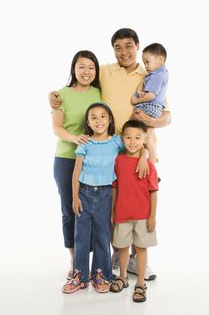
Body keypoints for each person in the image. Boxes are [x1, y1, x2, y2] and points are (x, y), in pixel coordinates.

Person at [49, 28, 171, 281]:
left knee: (137, 204)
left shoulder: (149, 75)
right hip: (109, 151)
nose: (124, 52)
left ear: (138, 46)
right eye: (118, 47)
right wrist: (54, 97)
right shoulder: (104, 71)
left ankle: (137, 259)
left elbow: (168, 116)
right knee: (113, 205)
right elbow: (82, 78)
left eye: (129, 46)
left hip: (140, 151)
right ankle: (108, 258)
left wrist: (149, 122)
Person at [61, 103, 149, 294]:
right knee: (81, 236)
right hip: (84, 193)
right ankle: (80, 276)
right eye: (93, 117)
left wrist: (145, 156)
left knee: (103, 235)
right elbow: (76, 172)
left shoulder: (117, 141)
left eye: (103, 116)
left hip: (106, 194)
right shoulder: (84, 143)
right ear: (88, 122)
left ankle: (101, 274)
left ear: (109, 119)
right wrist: (75, 197)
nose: (99, 120)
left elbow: (139, 146)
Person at [52, 50, 101, 282]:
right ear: (73, 68)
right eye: (81, 67)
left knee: (92, 211)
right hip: (66, 159)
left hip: (94, 162)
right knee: (70, 210)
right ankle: (74, 260)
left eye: (91, 67)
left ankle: (92, 262)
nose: (86, 72)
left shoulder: (100, 93)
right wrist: (76, 139)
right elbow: (57, 129)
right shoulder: (61, 95)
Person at [110, 120, 158, 303]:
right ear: (122, 139)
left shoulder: (149, 165)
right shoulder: (118, 161)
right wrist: (113, 210)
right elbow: (114, 187)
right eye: (128, 137)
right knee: (122, 248)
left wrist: (152, 216)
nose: (132, 141)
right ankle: (122, 277)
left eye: (137, 138)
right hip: (122, 213)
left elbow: (153, 191)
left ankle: (140, 283)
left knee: (140, 248)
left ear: (145, 139)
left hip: (143, 215)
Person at [131, 43, 169, 164]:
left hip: (150, 107)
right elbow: (144, 81)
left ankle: (151, 165)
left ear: (160, 60)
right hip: (153, 107)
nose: (145, 66)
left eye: (147, 62)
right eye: (144, 63)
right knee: (146, 138)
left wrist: (137, 100)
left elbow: (151, 95)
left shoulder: (157, 76)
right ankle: (150, 163)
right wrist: (139, 88)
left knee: (143, 136)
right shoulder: (155, 75)